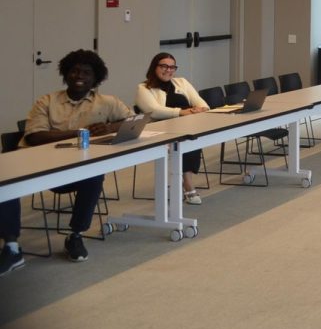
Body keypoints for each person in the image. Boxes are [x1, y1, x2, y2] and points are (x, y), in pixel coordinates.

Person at [1, 50, 133, 266]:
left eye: (86, 72)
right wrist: (81, 132)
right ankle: (11, 247)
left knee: (93, 175)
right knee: (5, 181)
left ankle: (76, 235)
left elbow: (132, 120)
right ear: (66, 74)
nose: (79, 76)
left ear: (95, 78)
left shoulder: (107, 102)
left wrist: (109, 127)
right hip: (39, 165)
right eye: (74, 71)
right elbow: (34, 136)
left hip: (75, 169)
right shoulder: (47, 101)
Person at [135, 52, 209, 204]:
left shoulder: (181, 82)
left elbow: (202, 104)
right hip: (161, 130)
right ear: (154, 67)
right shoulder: (143, 88)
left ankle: (185, 180)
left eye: (172, 67)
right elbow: (153, 110)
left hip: (187, 126)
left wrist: (198, 110)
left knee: (191, 137)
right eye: (164, 66)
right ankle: (188, 184)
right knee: (186, 140)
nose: (168, 70)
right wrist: (181, 112)